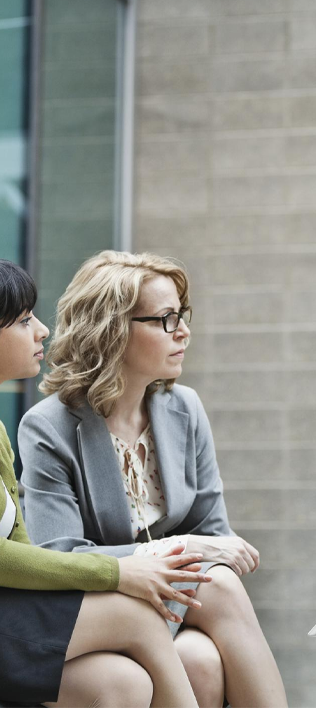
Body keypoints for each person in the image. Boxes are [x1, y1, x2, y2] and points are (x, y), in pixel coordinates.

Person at [19, 250, 287, 708]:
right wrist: (175, 550)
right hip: (96, 609)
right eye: (165, 319)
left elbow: (213, 532)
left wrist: (198, 550)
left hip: (175, 608)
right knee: (218, 585)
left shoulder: (184, 409)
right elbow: (57, 554)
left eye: (182, 315)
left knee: (200, 659)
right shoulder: (49, 426)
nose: (183, 331)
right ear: (112, 331)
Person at [0, 258, 211, 708]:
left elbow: (17, 543)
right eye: (22, 320)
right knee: (139, 614)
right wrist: (121, 569)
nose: (42, 330)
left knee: (126, 682)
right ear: (113, 331)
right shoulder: (45, 424)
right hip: (22, 612)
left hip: (23, 607)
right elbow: (37, 553)